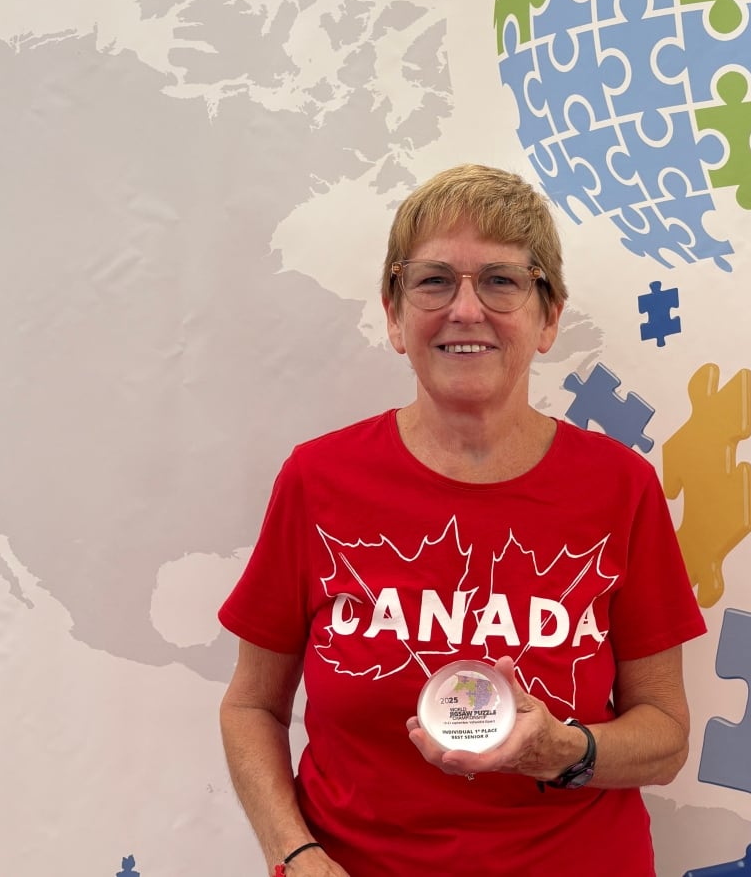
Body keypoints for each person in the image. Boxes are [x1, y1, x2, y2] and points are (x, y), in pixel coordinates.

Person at [218, 163, 706, 876]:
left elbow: (665, 736)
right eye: (434, 280)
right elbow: (250, 708)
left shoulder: (620, 488)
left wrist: (563, 750)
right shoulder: (316, 481)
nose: (466, 310)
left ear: (548, 318)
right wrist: (295, 856)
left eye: (502, 281)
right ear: (394, 315)